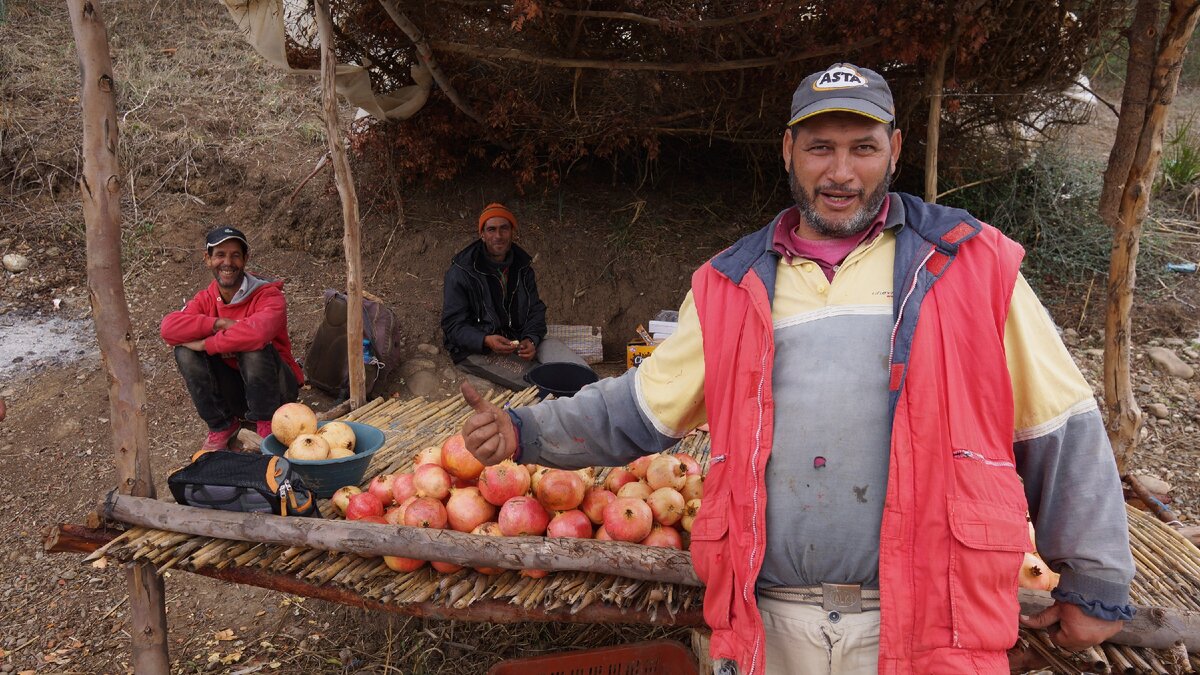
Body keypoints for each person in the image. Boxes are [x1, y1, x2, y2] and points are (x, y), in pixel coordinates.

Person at [459, 64, 1135, 674]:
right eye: (820, 147)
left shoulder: (973, 267)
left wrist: (1097, 578)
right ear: (788, 151)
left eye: (863, 147)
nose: (840, 172)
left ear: (894, 151)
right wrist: (524, 433)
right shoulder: (730, 284)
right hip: (769, 627)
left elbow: (1061, 429)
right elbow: (638, 409)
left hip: (931, 623)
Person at [160, 226, 303, 451]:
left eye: (235, 255)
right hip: (238, 393)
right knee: (184, 351)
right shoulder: (205, 299)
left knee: (253, 347)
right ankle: (221, 425)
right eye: (220, 255)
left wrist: (208, 344)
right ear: (207, 259)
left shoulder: (268, 295)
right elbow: (168, 328)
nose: (228, 262)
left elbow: (256, 334)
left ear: (245, 259)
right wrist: (218, 324)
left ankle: (266, 425)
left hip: (278, 392)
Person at [441, 203, 590, 391]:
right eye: (491, 229)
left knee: (577, 370)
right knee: (540, 380)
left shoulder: (522, 266)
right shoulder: (462, 271)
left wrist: (531, 339)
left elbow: (535, 310)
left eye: (504, 228)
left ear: (512, 231)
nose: (498, 236)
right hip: (475, 349)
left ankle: (596, 387)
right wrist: (485, 339)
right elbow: (453, 326)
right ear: (482, 234)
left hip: (515, 339)